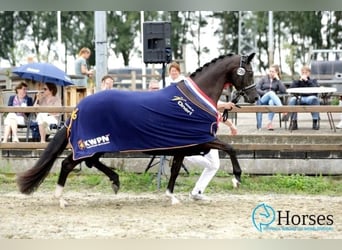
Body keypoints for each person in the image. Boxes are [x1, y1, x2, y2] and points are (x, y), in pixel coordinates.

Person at [186, 101, 238, 201]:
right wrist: (224, 105)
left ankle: (196, 192)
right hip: (200, 137)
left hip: (210, 138)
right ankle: (185, 154)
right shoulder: (204, 98)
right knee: (212, 164)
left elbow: (220, 116)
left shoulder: (214, 99)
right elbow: (207, 104)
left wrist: (231, 125)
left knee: (214, 165)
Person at [287, 65, 320, 130]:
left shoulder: (313, 81)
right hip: (299, 98)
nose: (304, 74)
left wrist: (307, 81)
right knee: (292, 100)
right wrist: (299, 81)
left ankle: (315, 122)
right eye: (303, 72)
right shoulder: (297, 81)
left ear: (309, 73)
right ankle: (294, 122)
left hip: (309, 98)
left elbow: (316, 89)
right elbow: (290, 89)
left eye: (306, 72)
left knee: (315, 99)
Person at [255, 64, 287, 130]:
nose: (271, 73)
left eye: (273, 72)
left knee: (272, 102)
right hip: (262, 100)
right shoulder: (263, 79)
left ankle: (269, 123)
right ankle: (282, 108)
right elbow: (257, 89)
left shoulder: (277, 81)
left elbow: (284, 91)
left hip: (271, 100)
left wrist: (278, 79)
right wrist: (265, 93)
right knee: (271, 93)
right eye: (270, 71)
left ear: (277, 72)